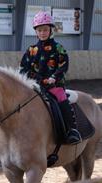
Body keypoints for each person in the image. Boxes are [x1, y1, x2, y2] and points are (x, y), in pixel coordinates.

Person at [19, 11, 82, 145]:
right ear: (36, 31)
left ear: (50, 30)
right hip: (35, 85)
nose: (43, 33)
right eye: (40, 30)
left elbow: (63, 65)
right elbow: (23, 68)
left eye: (45, 30)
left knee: (61, 98)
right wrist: (37, 79)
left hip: (54, 85)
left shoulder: (58, 48)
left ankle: (72, 130)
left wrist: (54, 77)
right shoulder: (31, 50)